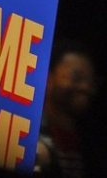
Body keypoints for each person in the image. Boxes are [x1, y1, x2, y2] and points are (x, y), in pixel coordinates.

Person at [36, 40, 99, 177]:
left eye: (91, 81)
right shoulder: (30, 139)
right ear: (47, 80)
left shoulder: (92, 147)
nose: (86, 88)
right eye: (75, 78)